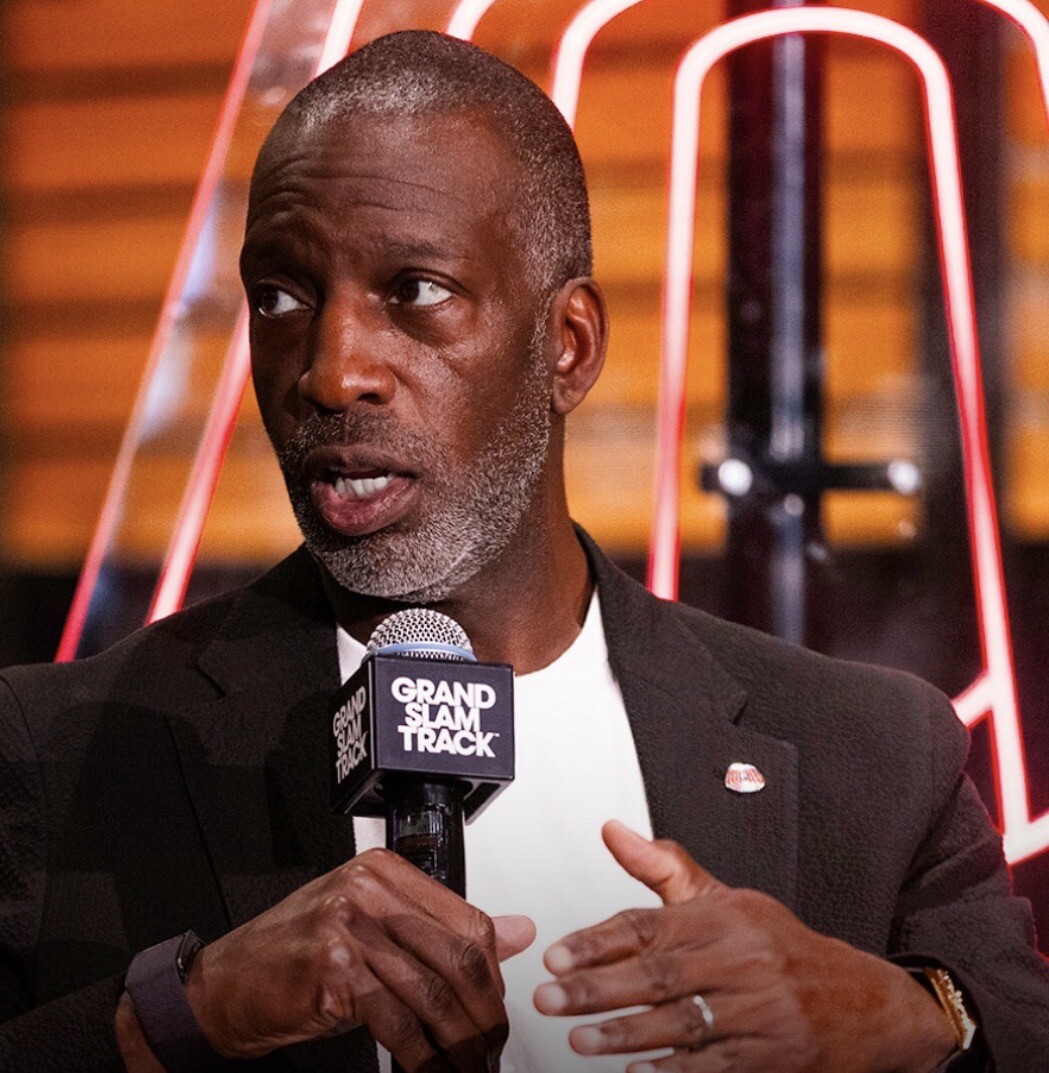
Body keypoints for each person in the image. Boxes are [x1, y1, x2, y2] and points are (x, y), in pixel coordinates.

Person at [1, 28, 1048, 1073]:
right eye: (281, 296)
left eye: (414, 290)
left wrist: (905, 1015)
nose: (329, 370)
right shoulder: (61, 751)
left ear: (567, 346)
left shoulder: (871, 758)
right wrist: (180, 1013)